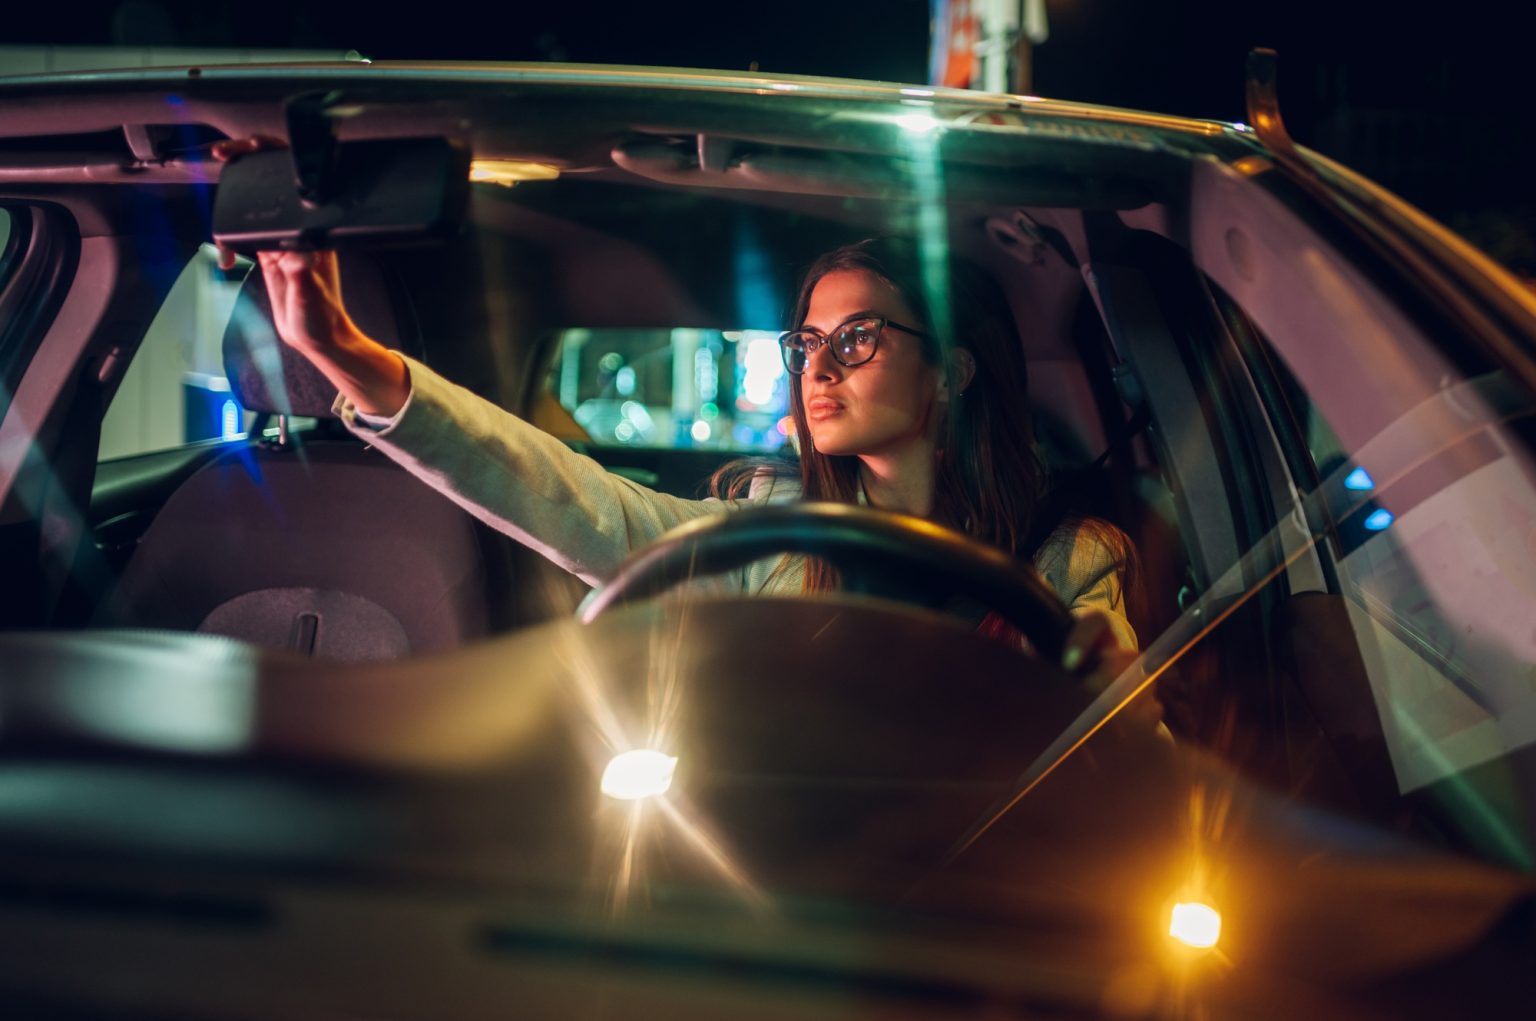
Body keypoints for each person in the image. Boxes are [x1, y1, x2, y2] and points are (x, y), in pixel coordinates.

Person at [234, 212, 1147, 712]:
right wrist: (351, 355)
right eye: (807, 343)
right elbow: (569, 496)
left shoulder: (1067, 559)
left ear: (951, 370)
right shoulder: (767, 540)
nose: (818, 369)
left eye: (859, 338)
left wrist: (1119, 703)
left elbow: (1131, 757)